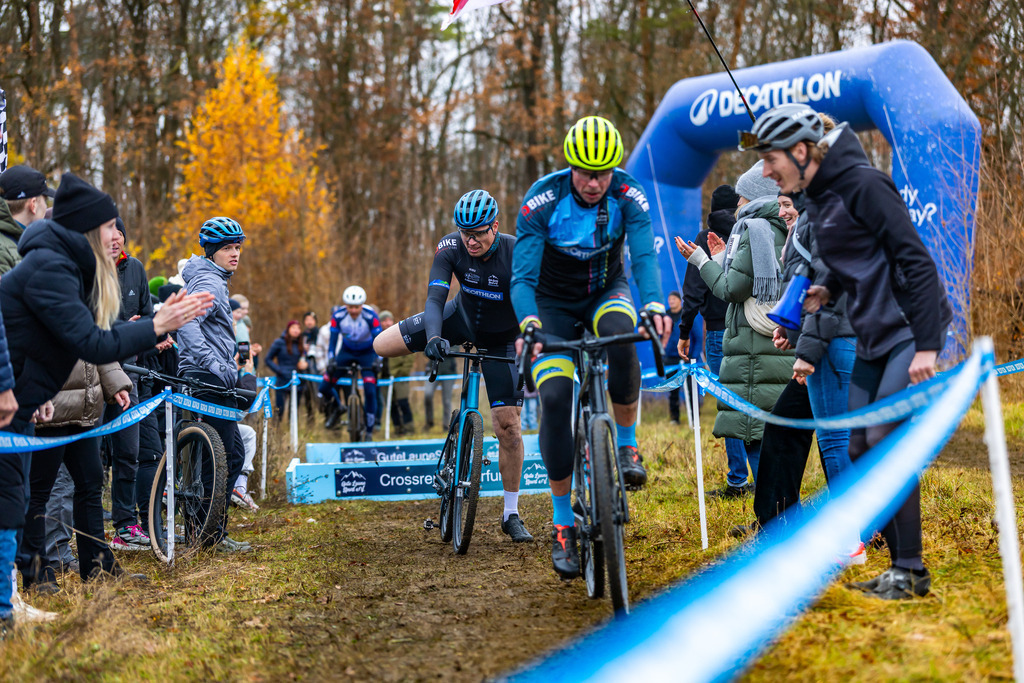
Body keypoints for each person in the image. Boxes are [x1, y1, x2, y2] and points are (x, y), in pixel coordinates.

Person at [749, 102, 951, 599]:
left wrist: (928, 346)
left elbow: (916, 264)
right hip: (871, 337)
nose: (767, 172)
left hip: (906, 333)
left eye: (772, 160)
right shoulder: (823, 197)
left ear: (801, 151)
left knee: (882, 443)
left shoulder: (864, 185)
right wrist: (825, 289)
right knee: (859, 449)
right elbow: (852, 260)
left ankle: (909, 569)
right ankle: (900, 566)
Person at [0, 173, 211, 611]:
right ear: (88, 229)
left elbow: (87, 333)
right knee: (13, 497)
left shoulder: (66, 265)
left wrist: (152, 330)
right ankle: (12, 601)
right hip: (11, 400)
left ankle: (14, 599)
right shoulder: (51, 267)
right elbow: (89, 342)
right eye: (110, 226)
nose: (117, 235)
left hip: (25, 400)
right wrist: (155, 327)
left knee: (19, 495)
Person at [511, 116, 671, 578]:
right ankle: (562, 524)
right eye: (585, 172)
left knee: (624, 337)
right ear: (570, 167)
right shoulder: (543, 199)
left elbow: (643, 255)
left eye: (604, 172)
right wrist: (529, 323)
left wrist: (655, 303)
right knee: (557, 399)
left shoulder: (628, 194)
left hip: (605, 291)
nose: (595, 182)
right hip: (551, 304)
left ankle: (625, 445)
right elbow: (521, 279)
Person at [375, 189, 533, 542]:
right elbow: (436, 295)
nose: (470, 240)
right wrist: (433, 337)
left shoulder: (516, 251)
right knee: (381, 345)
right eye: (465, 232)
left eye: (477, 232)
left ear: (495, 226)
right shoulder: (450, 246)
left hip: (502, 338)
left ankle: (511, 513)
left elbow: (530, 303)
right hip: (458, 319)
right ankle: (455, 440)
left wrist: (529, 343)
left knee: (509, 427)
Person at [675, 161, 793, 498]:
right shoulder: (783, 226)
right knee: (769, 429)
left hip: (756, 346)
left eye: (741, 197)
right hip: (776, 340)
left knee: (753, 429)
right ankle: (773, 510)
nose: (737, 205)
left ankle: (770, 514)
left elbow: (731, 289)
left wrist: (701, 261)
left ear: (756, 196)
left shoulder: (756, 230)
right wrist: (725, 255)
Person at [176, 216, 254, 553]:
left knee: (232, 454)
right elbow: (187, 325)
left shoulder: (214, 279)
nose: (235, 253)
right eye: (227, 248)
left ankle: (209, 531)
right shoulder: (208, 280)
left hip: (213, 377)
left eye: (237, 247)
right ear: (211, 251)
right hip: (205, 378)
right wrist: (214, 364)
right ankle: (205, 537)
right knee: (217, 457)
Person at [104, 217, 155, 551]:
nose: (115, 239)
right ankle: (92, 526)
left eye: (119, 233)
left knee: (129, 453)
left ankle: (125, 524)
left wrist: (145, 331)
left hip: (130, 375)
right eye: (109, 233)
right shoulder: (88, 270)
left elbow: (150, 317)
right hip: (93, 375)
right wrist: (126, 327)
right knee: (93, 457)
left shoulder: (135, 268)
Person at [320, 286, 380, 435]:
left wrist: (378, 360)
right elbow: (332, 342)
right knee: (324, 387)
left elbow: (379, 340)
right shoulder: (338, 316)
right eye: (350, 307)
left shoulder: (371, 316)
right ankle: (339, 407)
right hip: (346, 352)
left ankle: (369, 431)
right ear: (345, 305)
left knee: (370, 391)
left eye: (357, 307)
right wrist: (331, 360)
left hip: (367, 353)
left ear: (362, 305)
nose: (353, 310)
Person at [0, 165, 54, 276]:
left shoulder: (21, 241)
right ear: (33, 204)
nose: (46, 206)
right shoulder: (3, 250)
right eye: (45, 200)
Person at [377, 311, 414, 436]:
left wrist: (402, 371)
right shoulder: (377, 337)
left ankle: (409, 428)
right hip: (384, 377)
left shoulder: (399, 334)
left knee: (403, 402)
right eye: (384, 321)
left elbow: (410, 355)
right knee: (391, 405)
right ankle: (398, 429)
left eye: (389, 320)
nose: (387, 323)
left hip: (399, 376)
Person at [265, 320, 309, 418]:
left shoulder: (302, 344)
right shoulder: (279, 342)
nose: (296, 330)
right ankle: (276, 431)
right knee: (279, 410)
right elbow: (268, 359)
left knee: (294, 411)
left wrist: (305, 364)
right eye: (293, 328)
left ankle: (291, 432)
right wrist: (280, 370)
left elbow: (306, 360)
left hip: (298, 381)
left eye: (298, 328)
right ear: (288, 329)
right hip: (282, 381)